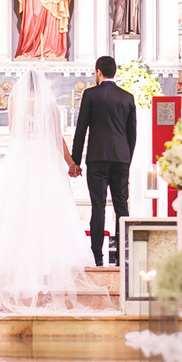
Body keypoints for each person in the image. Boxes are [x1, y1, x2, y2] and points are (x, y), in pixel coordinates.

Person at [0, 69, 101, 311]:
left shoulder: (15, 102)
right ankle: (48, 264)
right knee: (47, 209)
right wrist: (70, 163)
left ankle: (16, 261)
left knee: (17, 208)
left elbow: (13, 133)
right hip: (44, 157)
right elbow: (57, 137)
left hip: (19, 157)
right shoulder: (50, 104)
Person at [71, 56, 137, 267]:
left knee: (98, 207)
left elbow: (81, 130)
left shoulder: (90, 95)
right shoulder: (127, 97)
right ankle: (123, 257)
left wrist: (75, 161)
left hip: (97, 158)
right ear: (114, 72)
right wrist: (127, 159)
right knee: (121, 207)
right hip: (120, 159)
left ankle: (97, 258)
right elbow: (132, 134)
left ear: (98, 72)